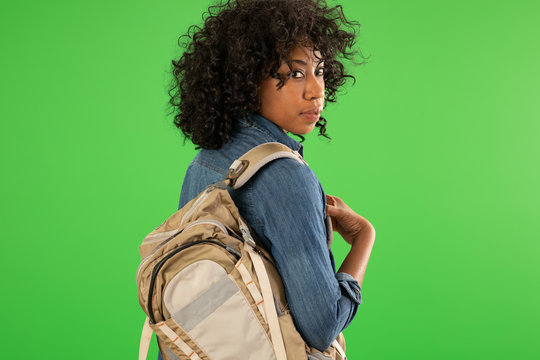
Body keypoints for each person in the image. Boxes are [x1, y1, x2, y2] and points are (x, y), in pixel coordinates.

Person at [160, 0, 375, 358]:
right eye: (295, 73)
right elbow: (322, 327)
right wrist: (364, 239)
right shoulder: (286, 175)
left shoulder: (205, 162)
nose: (316, 91)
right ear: (248, 76)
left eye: (320, 71)